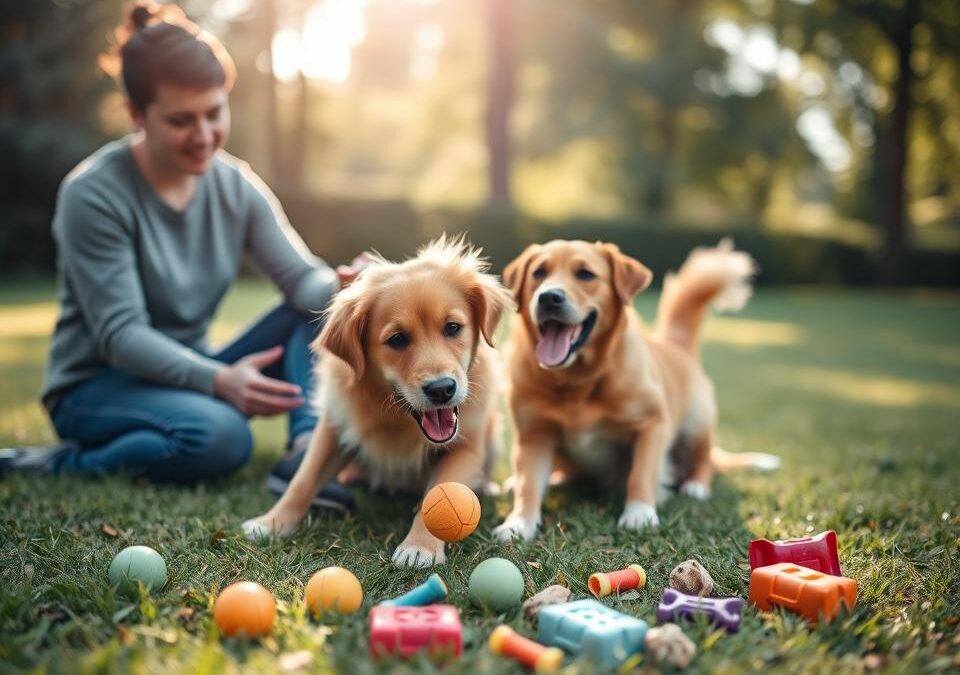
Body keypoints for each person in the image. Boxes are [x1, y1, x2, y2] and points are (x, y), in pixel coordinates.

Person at [0, 2, 358, 510]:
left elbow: (302, 281)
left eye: (215, 114)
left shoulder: (235, 185)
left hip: (192, 370)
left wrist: (352, 286)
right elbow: (122, 336)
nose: (204, 135)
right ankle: (62, 460)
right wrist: (219, 382)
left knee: (320, 312)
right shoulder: (93, 195)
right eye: (180, 120)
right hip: (97, 387)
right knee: (221, 437)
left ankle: (305, 452)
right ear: (136, 114)